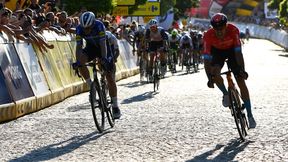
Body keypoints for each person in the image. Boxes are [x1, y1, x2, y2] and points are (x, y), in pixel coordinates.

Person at [202, 13, 256, 128]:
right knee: (214, 73)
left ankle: (250, 115)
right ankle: (226, 94)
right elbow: (206, 60)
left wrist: (242, 70)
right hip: (217, 53)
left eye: (221, 28)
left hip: (232, 51)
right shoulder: (208, 35)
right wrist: (209, 78)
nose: (219, 31)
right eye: (216, 29)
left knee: (241, 81)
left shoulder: (233, 30)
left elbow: (238, 53)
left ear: (226, 25)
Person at [75, 11, 121, 119]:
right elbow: (78, 47)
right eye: (84, 28)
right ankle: (91, 86)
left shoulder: (99, 25)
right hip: (91, 48)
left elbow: (102, 45)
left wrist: (104, 59)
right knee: (80, 62)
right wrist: (78, 62)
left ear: (93, 23)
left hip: (103, 47)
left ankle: (115, 105)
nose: (86, 30)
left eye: (89, 28)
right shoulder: (79, 28)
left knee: (109, 76)